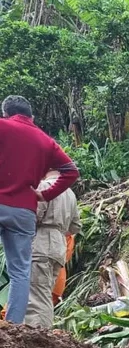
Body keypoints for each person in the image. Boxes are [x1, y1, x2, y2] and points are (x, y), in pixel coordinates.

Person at [0, 96, 79, 324]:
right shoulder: (46, 141)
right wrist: (44, 194)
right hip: (25, 212)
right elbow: (71, 172)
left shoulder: (3, 127)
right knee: (21, 272)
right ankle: (14, 326)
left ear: (6, 113)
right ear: (31, 116)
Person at [25, 172, 80, 328]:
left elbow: (34, 216)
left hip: (42, 242)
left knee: (36, 294)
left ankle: (37, 334)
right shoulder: (70, 194)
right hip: (59, 246)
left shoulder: (44, 186)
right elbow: (75, 226)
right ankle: (43, 332)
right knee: (44, 292)